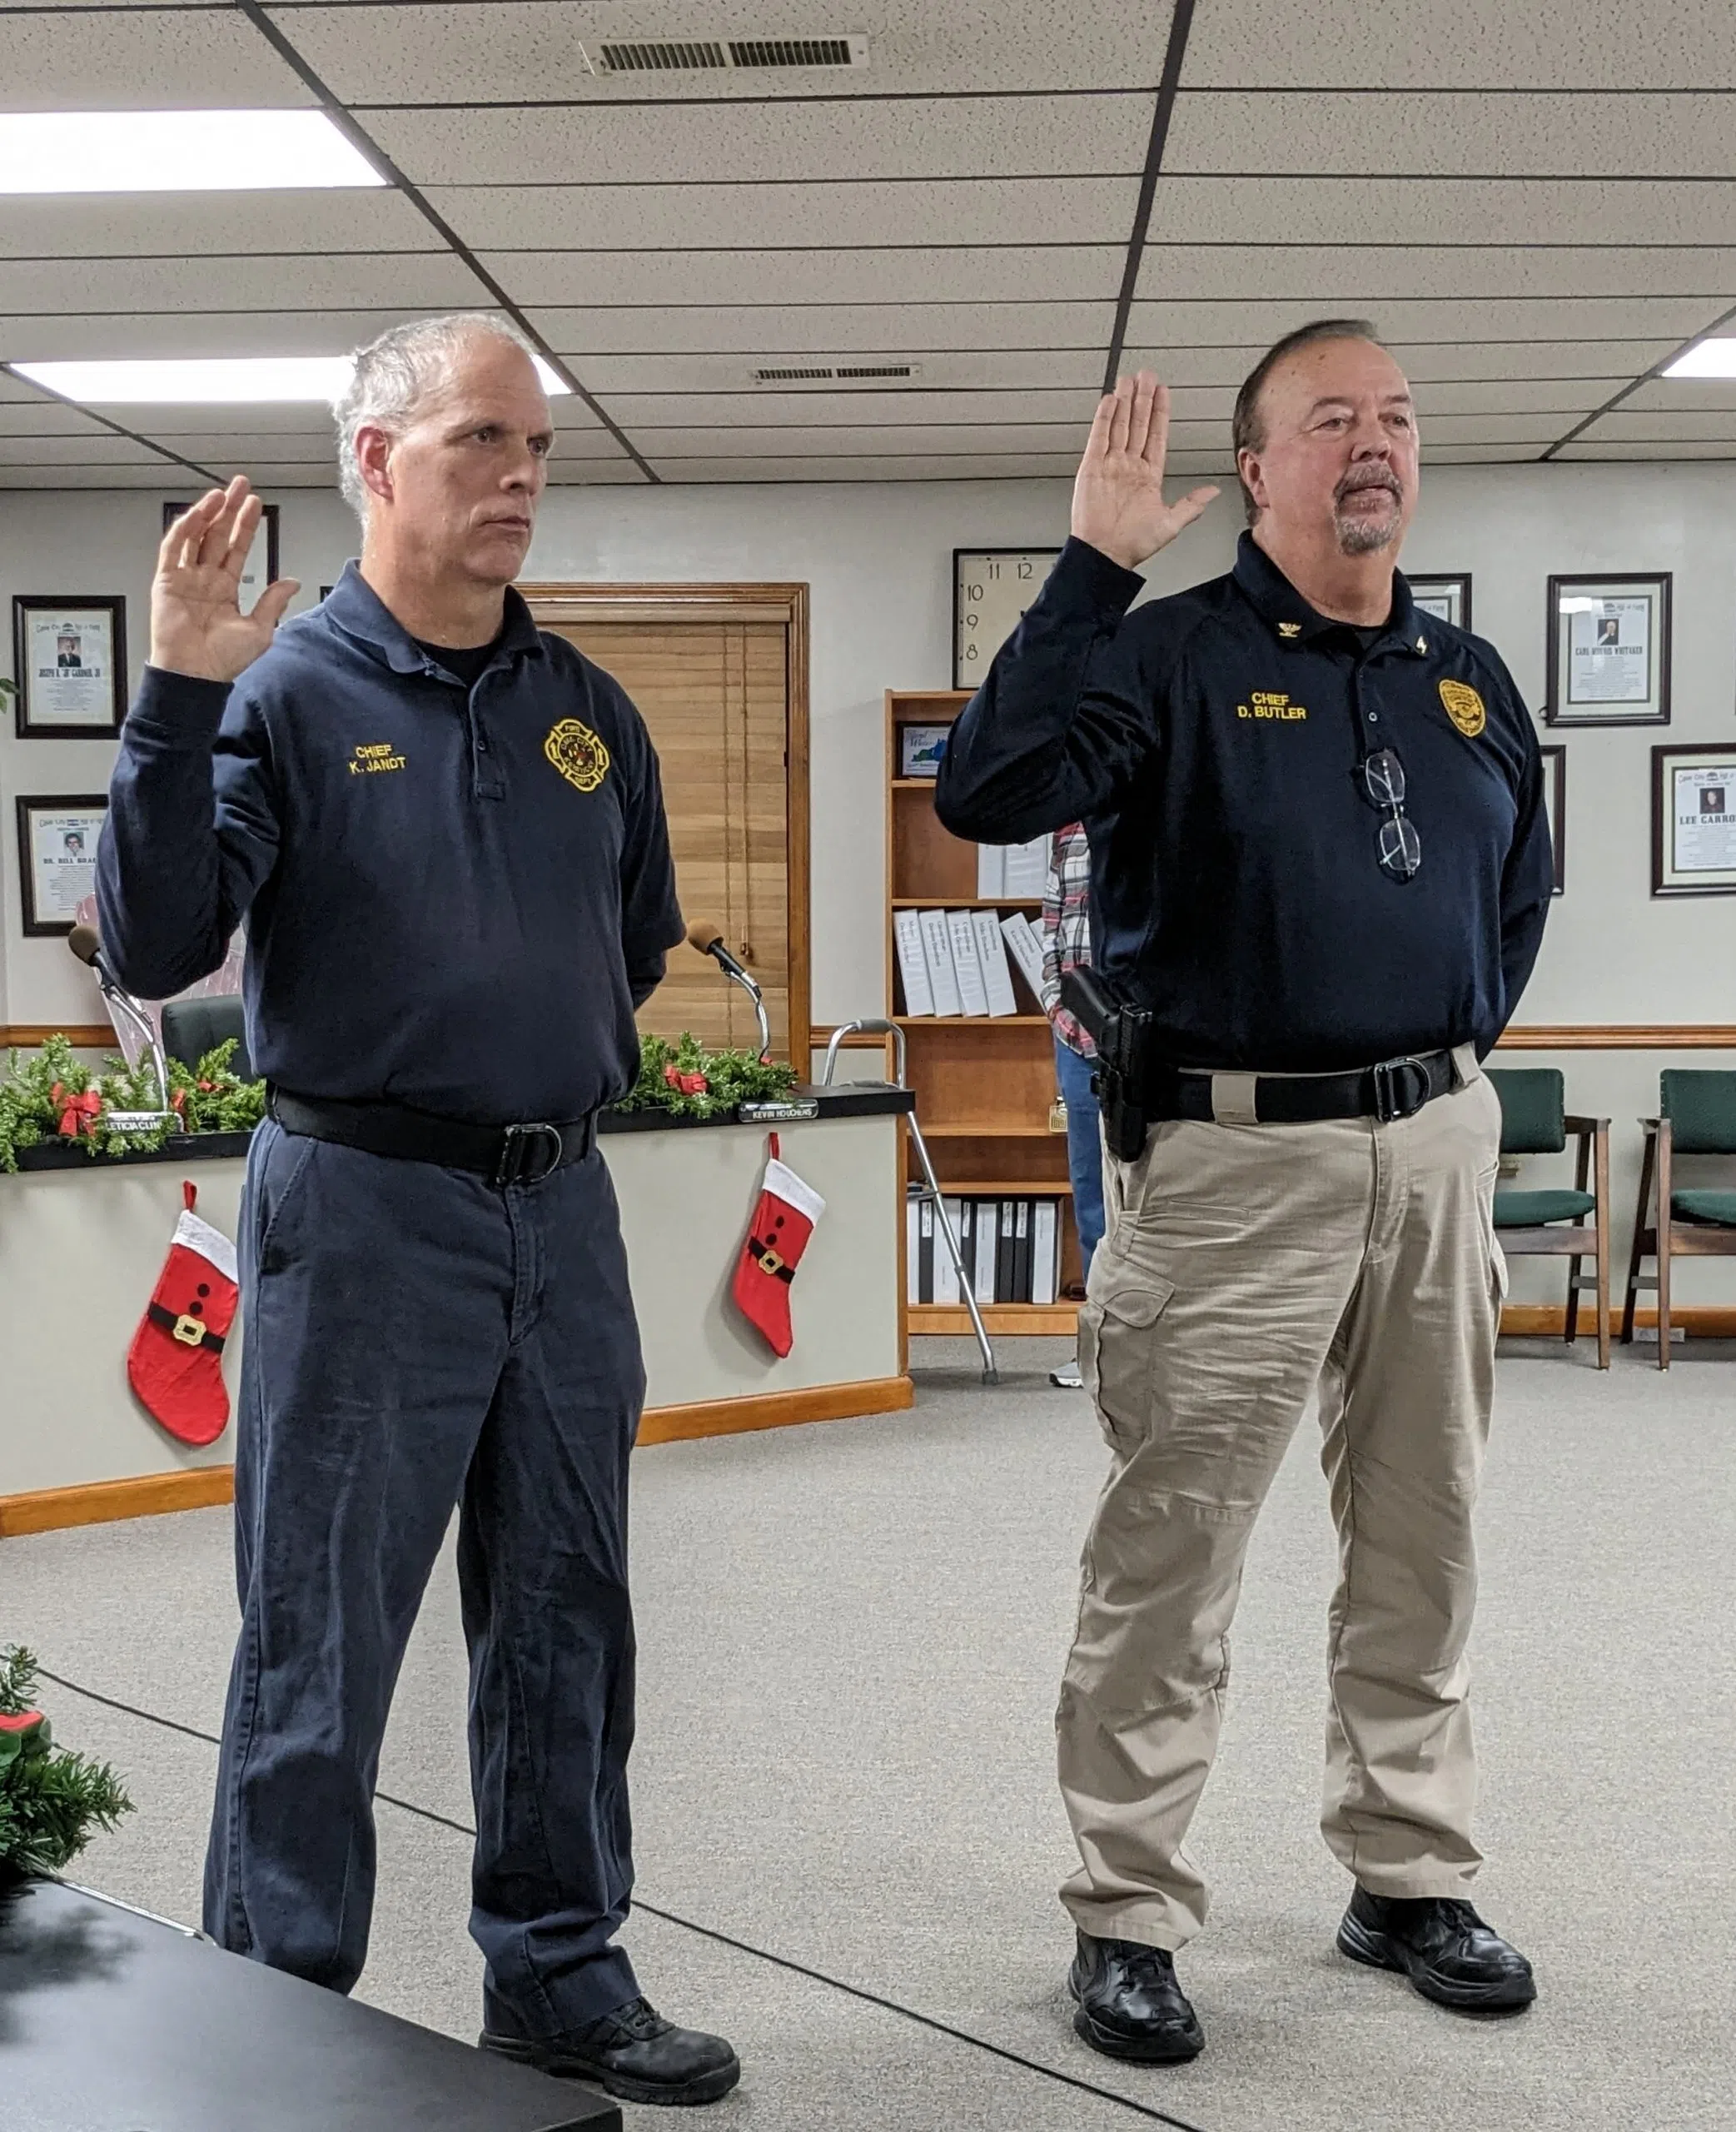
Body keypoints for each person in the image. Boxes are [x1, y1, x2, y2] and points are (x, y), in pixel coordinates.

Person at [97, 313, 740, 2109]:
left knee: (565, 1613)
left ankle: (557, 1971)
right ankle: (273, 2007)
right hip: (361, 1210)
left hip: (561, 1211)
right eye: (480, 442)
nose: (521, 476)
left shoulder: (586, 713)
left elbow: (627, 942)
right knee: (321, 1626)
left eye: (534, 447)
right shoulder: (281, 694)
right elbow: (155, 944)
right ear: (376, 461)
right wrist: (174, 697)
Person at [936, 320, 1552, 2065]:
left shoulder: (1465, 676)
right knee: (1173, 1547)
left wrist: (1414, 1070)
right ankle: (1127, 1910)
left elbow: (1516, 904)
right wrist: (1086, 564)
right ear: (1258, 466)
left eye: (1398, 417)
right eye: (1330, 419)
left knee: (1422, 1531)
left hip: (1431, 1140)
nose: (1374, 444)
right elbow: (982, 785)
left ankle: (1406, 1869)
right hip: (1226, 1159)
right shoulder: (1161, 654)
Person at [1040, 820, 1104, 1387]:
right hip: (1075, 1039)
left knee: (1162, 1195)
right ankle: (1096, 1352)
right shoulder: (1067, 832)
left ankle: (1157, 1351)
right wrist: (1057, 1012)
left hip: (1155, 1042)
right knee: (1091, 1200)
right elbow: (1052, 931)